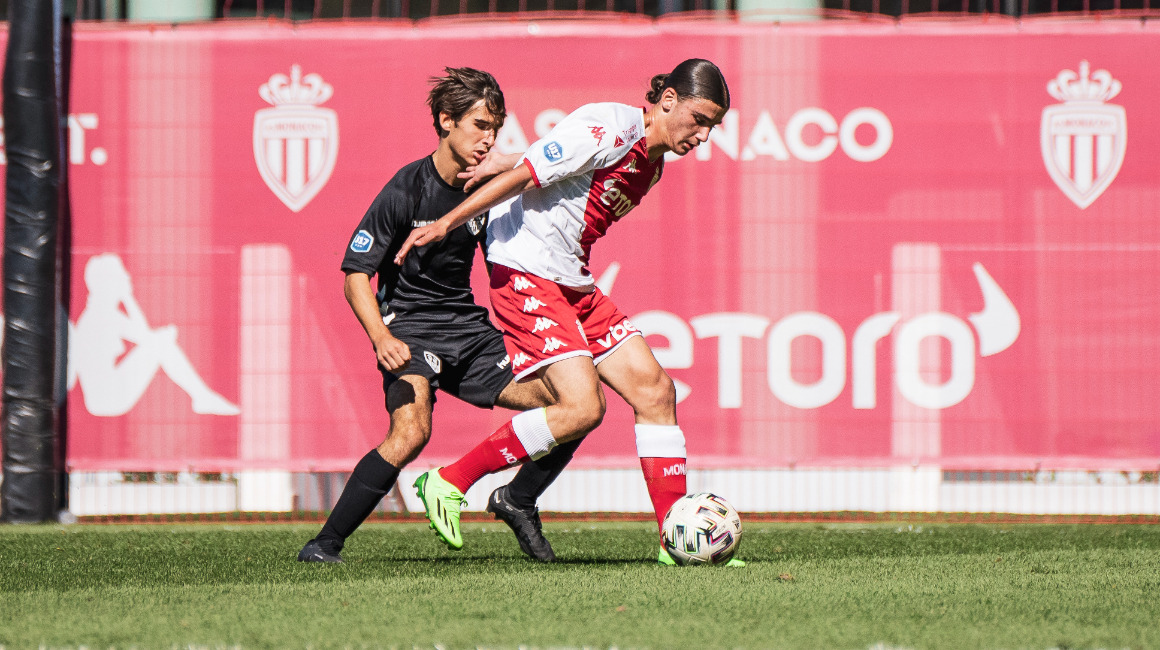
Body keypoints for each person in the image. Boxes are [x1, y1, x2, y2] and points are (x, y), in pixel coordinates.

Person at [395, 59, 740, 566]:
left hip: (571, 281)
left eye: (713, 125)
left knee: (655, 390)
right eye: (700, 118)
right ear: (667, 99)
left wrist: (512, 157)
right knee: (582, 408)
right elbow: (524, 178)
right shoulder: (612, 126)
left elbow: (557, 166)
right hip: (525, 271)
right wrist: (447, 222)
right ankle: (450, 480)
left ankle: (674, 542)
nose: (705, 134)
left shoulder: (653, 161)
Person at [298, 67, 581, 564]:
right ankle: (323, 545)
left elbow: (551, 181)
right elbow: (353, 276)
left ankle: (518, 499)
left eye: (495, 127)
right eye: (479, 126)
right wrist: (381, 336)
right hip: (408, 329)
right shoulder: (406, 189)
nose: (488, 138)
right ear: (445, 122)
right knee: (411, 431)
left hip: (468, 333)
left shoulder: (489, 185)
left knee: (574, 407)